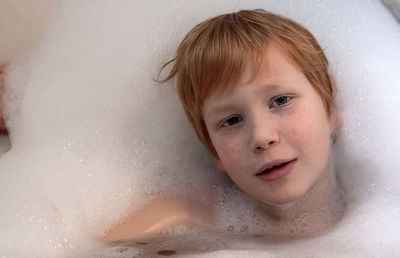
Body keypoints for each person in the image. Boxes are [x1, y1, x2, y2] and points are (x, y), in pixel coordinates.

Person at [160, 9, 345, 236]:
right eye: (232, 120)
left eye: (280, 100)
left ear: (331, 104)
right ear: (212, 148)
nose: (262, 137)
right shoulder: (183, 227)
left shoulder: (387, 204)